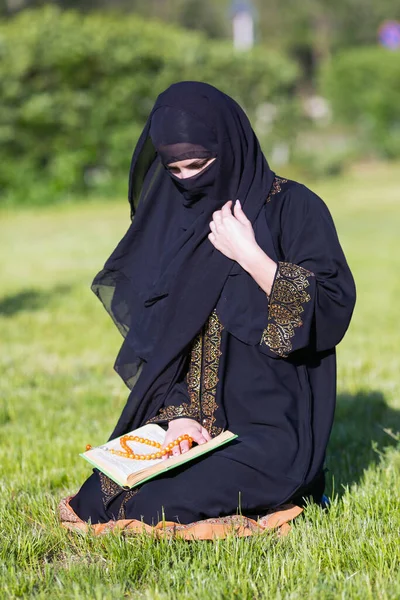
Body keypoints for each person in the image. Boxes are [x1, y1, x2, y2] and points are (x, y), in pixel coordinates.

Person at [66, 81, 356, 528]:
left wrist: (252, 256)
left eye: (198, 165)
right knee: (100, 497)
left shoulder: (295, 207)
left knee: (152, 506)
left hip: (271, 433)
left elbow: (330, 310)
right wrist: (180, 420)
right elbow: (168, 344)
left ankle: (284, 494)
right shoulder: (179, 220)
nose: (186, 180)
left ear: (230, 146)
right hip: (194, 427)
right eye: (174, 169)